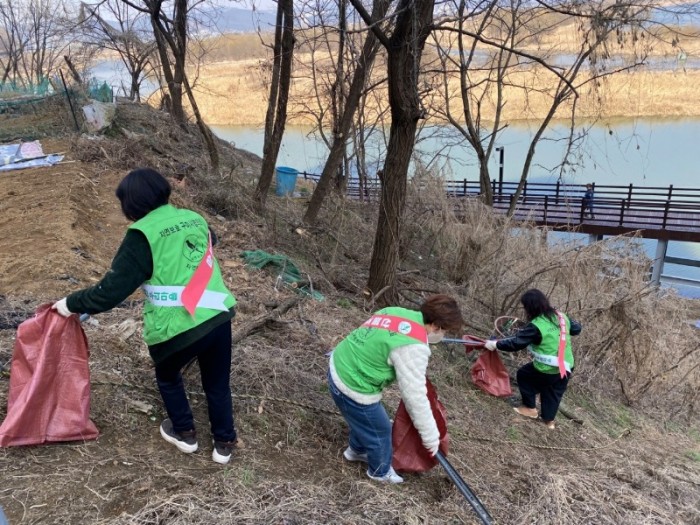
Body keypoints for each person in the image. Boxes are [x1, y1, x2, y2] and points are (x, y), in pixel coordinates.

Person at [51, 168, 238, 464]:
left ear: (131, 206)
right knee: (217, 383)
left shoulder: (141, 236)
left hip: (179, 326)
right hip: (218, 314)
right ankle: (224, 443)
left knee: (167, 376)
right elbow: (210, 241)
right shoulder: (194, 218)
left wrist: (69, 303)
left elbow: (109, 292)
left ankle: (185, 432)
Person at [328, 294, 463, 484]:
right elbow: (415, 397)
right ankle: (380, 472)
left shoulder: (395, 312)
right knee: (381, 430)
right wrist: (431, 437)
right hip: (352, 384)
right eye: (444, 330)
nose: (443, 335)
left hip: (339, 363)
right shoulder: (413, 347)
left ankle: (356, 451)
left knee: (366, 421)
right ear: (436, 325)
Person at [484, 289, 581, 430]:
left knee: (524, 375)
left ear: (530, 307)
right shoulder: (561, 316)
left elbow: (516, 343)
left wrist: (495, 344)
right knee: (554, 390)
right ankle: (549, 421)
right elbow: (577, 329)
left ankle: (530, 408)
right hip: (567, 365)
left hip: (548, 368)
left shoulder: (537, 325)